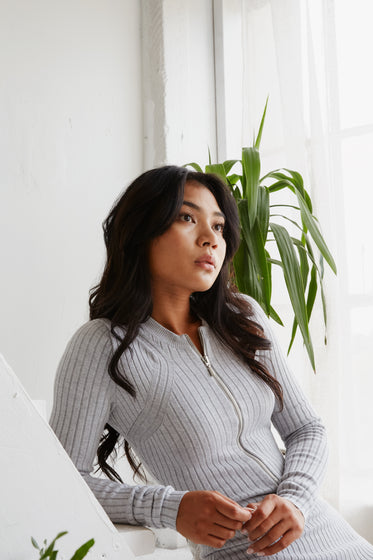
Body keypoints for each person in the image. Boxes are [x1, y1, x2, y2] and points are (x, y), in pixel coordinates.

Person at [50, 165, 373, 559]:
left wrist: (296, 499)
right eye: (187, 218)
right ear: (140, 231)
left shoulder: (242, 319)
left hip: (333, 539)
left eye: (219, 227)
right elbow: (64, 479)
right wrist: (172, 507)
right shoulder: (102, 346)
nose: (211, 239)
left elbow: (307, 428)